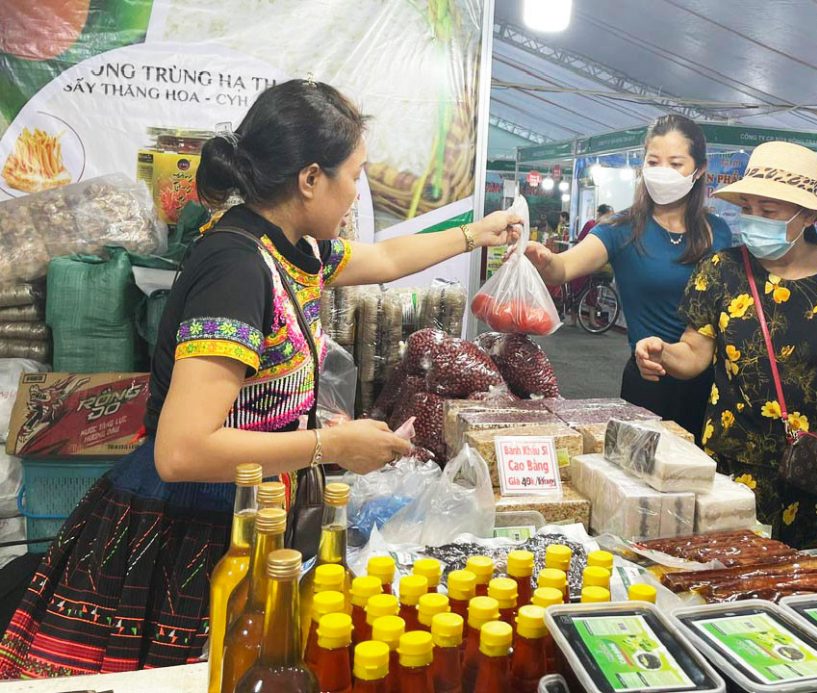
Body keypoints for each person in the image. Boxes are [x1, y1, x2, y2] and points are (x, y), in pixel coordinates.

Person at [0, 80, 518, 678]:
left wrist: (475, 234)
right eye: (354, 175)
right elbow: (181, 450)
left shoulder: (292, 246)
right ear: (310, 179)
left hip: (253, 506)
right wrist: (329, 447)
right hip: (194, 524)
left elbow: (385, 261)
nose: (356, 194)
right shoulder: (238, 270)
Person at [635, 141, 817, 550]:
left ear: (806, 215)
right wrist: (661, 353)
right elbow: (695, 352)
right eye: (748, 208)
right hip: (736, 467)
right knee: (729, 577)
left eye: (768, 212)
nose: (754, 219)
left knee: (812, 583)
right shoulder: (721, 271)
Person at [524, 115, 732, 436]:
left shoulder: (717, 232)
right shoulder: (621, 229)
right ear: (642, 166)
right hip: (649, 379)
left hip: (711, 385)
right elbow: (563, 268)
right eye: (654, 161)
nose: (663, 171)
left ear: (699, 169)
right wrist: (543, 259)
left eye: (675, 163)